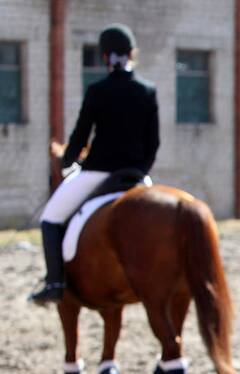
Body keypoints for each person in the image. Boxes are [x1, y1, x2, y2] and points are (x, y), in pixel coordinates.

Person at [30, 23, 159, 306]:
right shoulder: (148, 91)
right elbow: (153, 143)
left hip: (97, 172)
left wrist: (68, 161)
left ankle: (54, 282)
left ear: (104, 57)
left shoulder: (97, 91)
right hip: (136, 175)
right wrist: (140, 172)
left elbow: (79, 136)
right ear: (132, 54)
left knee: (50, 219)